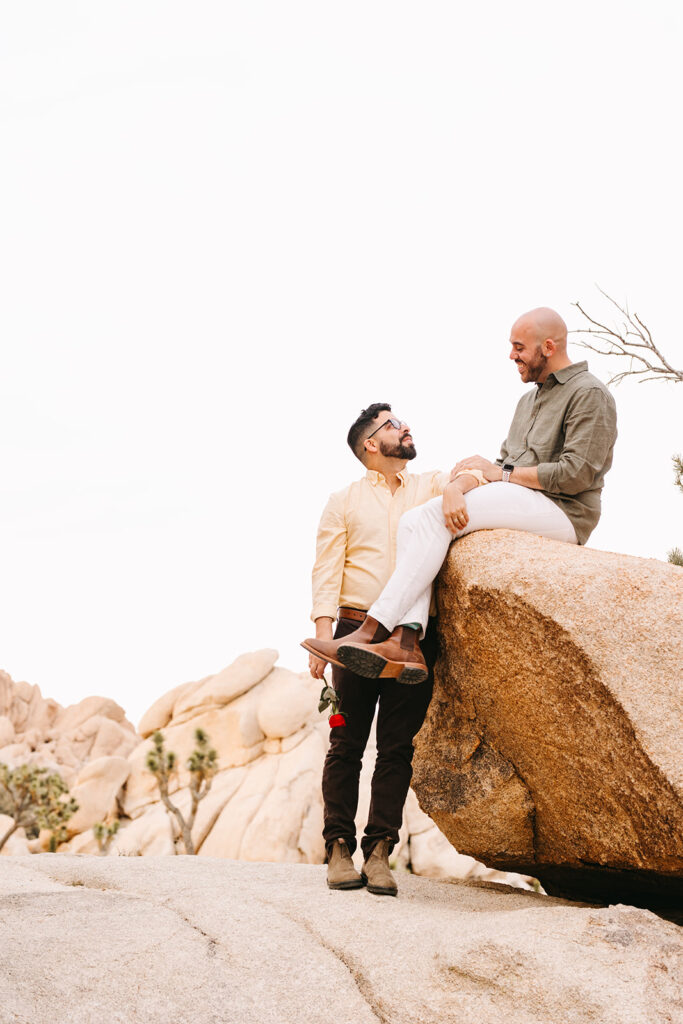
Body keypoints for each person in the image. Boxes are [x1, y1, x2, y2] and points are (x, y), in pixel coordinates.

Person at [304, 305, 618, 686]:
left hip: (565, 511)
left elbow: (576, 474)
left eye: (519, 347)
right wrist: (456, 487)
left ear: (548, 347)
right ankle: (405, 640)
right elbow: (501, 466)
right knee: (415, 518)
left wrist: (496, 474)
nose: (512, 356)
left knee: (431, 517)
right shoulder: (527, 402)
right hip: (524, 501)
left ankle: (371, 632)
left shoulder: (589, 393)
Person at [302, 404, 451, 896]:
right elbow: (327, 571)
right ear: (371, 443)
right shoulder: (342, 501)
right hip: (353, 631)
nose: (405, 428)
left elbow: (469, 473)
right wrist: (325, 641)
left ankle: (380, 851)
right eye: (393, 424)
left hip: (413, 635)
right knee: (346, 744)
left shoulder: (428, 486)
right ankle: (338, 847)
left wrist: (462, 481)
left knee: (397, 748)